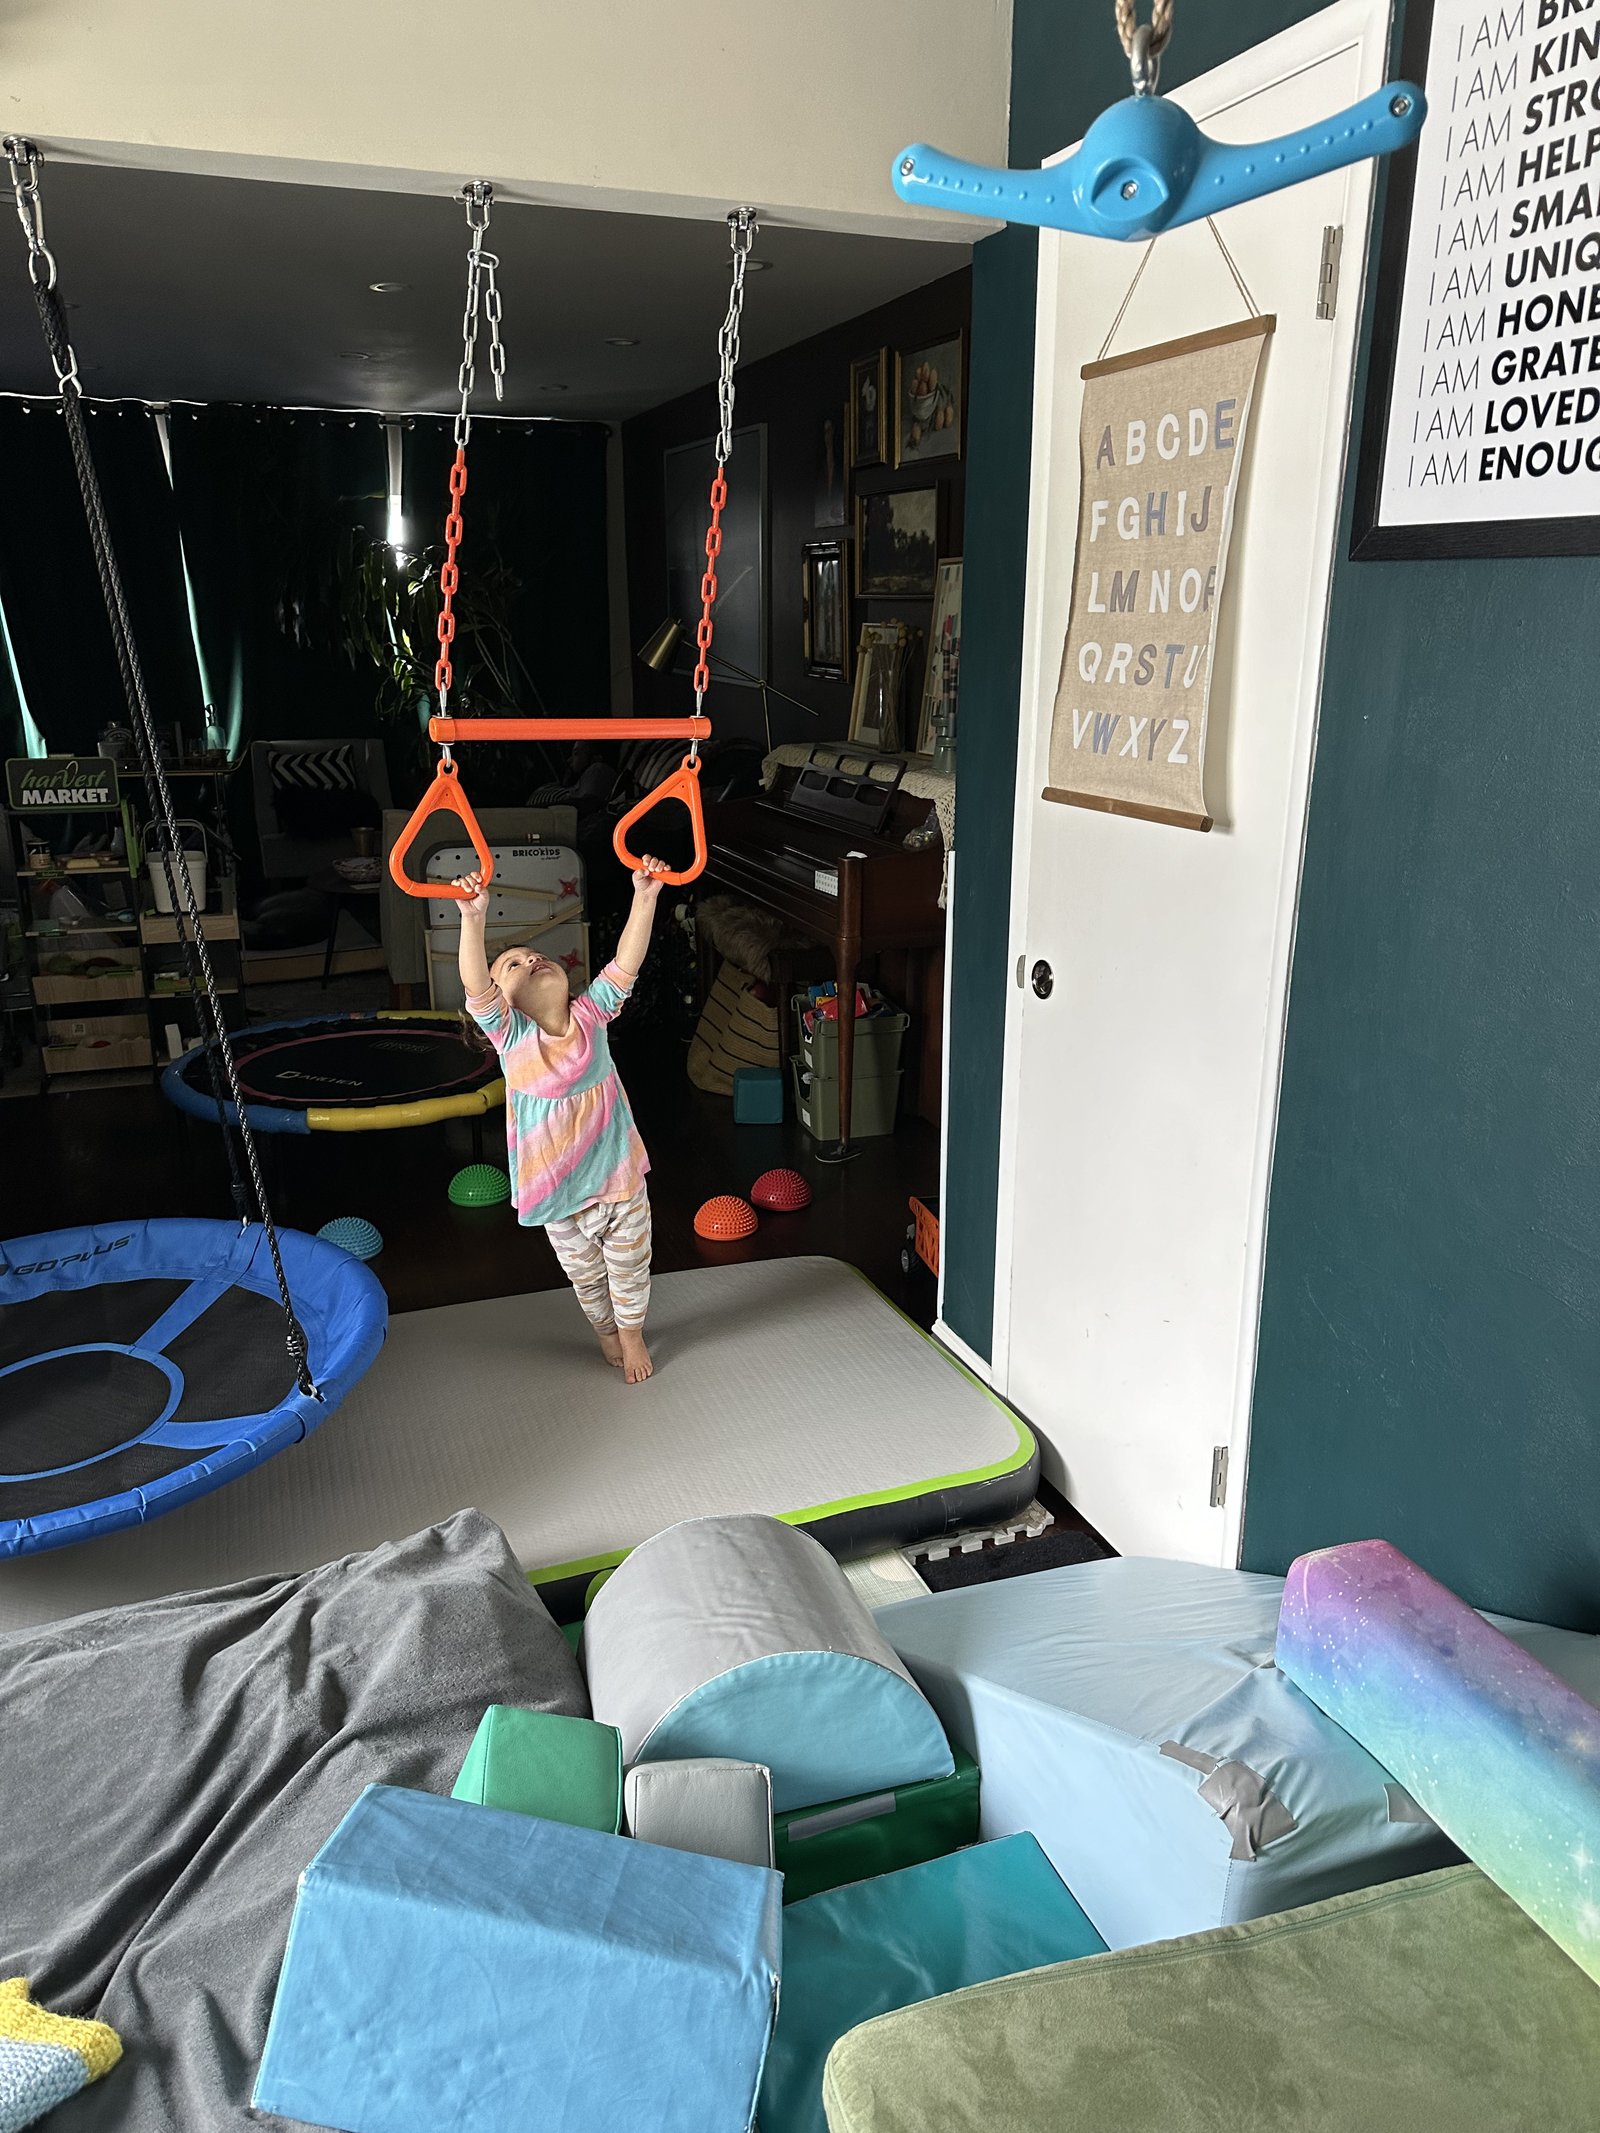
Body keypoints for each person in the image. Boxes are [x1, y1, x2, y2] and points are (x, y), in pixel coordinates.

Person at [456, 857, 668, 1383]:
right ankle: (603, 1328)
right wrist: (472, 917)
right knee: (587, 1279)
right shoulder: (512, 1038)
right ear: (499, 1006)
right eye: (512, 966)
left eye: (534, 955)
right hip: (556, 1193)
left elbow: (626, 962)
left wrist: (645, 896)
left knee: (629, 1268)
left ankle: (633, 1330)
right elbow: (473, 984)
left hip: (616, 1179)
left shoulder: (591, 1016)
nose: (530, 961)